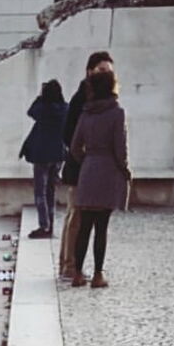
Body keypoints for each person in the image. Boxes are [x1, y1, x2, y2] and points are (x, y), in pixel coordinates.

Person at [69, 70, 130, 288]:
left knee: (84, 225)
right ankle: (97, 274)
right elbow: (120, 147)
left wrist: (86, 160)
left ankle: (77, 273)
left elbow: (75, 146)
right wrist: (124, 169)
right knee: (101, 227)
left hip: (88, 169)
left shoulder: (86, 113)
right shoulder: (117, 113)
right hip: (108, 170)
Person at [59, 51, 115, 279]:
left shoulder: (105, 100)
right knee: (76, 217)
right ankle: (69, 265)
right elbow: (68, 134)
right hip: (78, 168)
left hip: (93, 169)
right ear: (90, 71)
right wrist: (86, 158)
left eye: (110, 72)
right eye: (102, 71)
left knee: (79, 217)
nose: (107, 75)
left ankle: (69, 264)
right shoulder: (81, 98)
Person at [20, 80, 67, 238]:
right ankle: (50, 224)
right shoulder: (65, 108)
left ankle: (44, 225)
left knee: (40, 192)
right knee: (51, 192)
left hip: (42, 155)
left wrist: (40, 96)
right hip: (58, 155)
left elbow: (31, 111)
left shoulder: (43, 108)